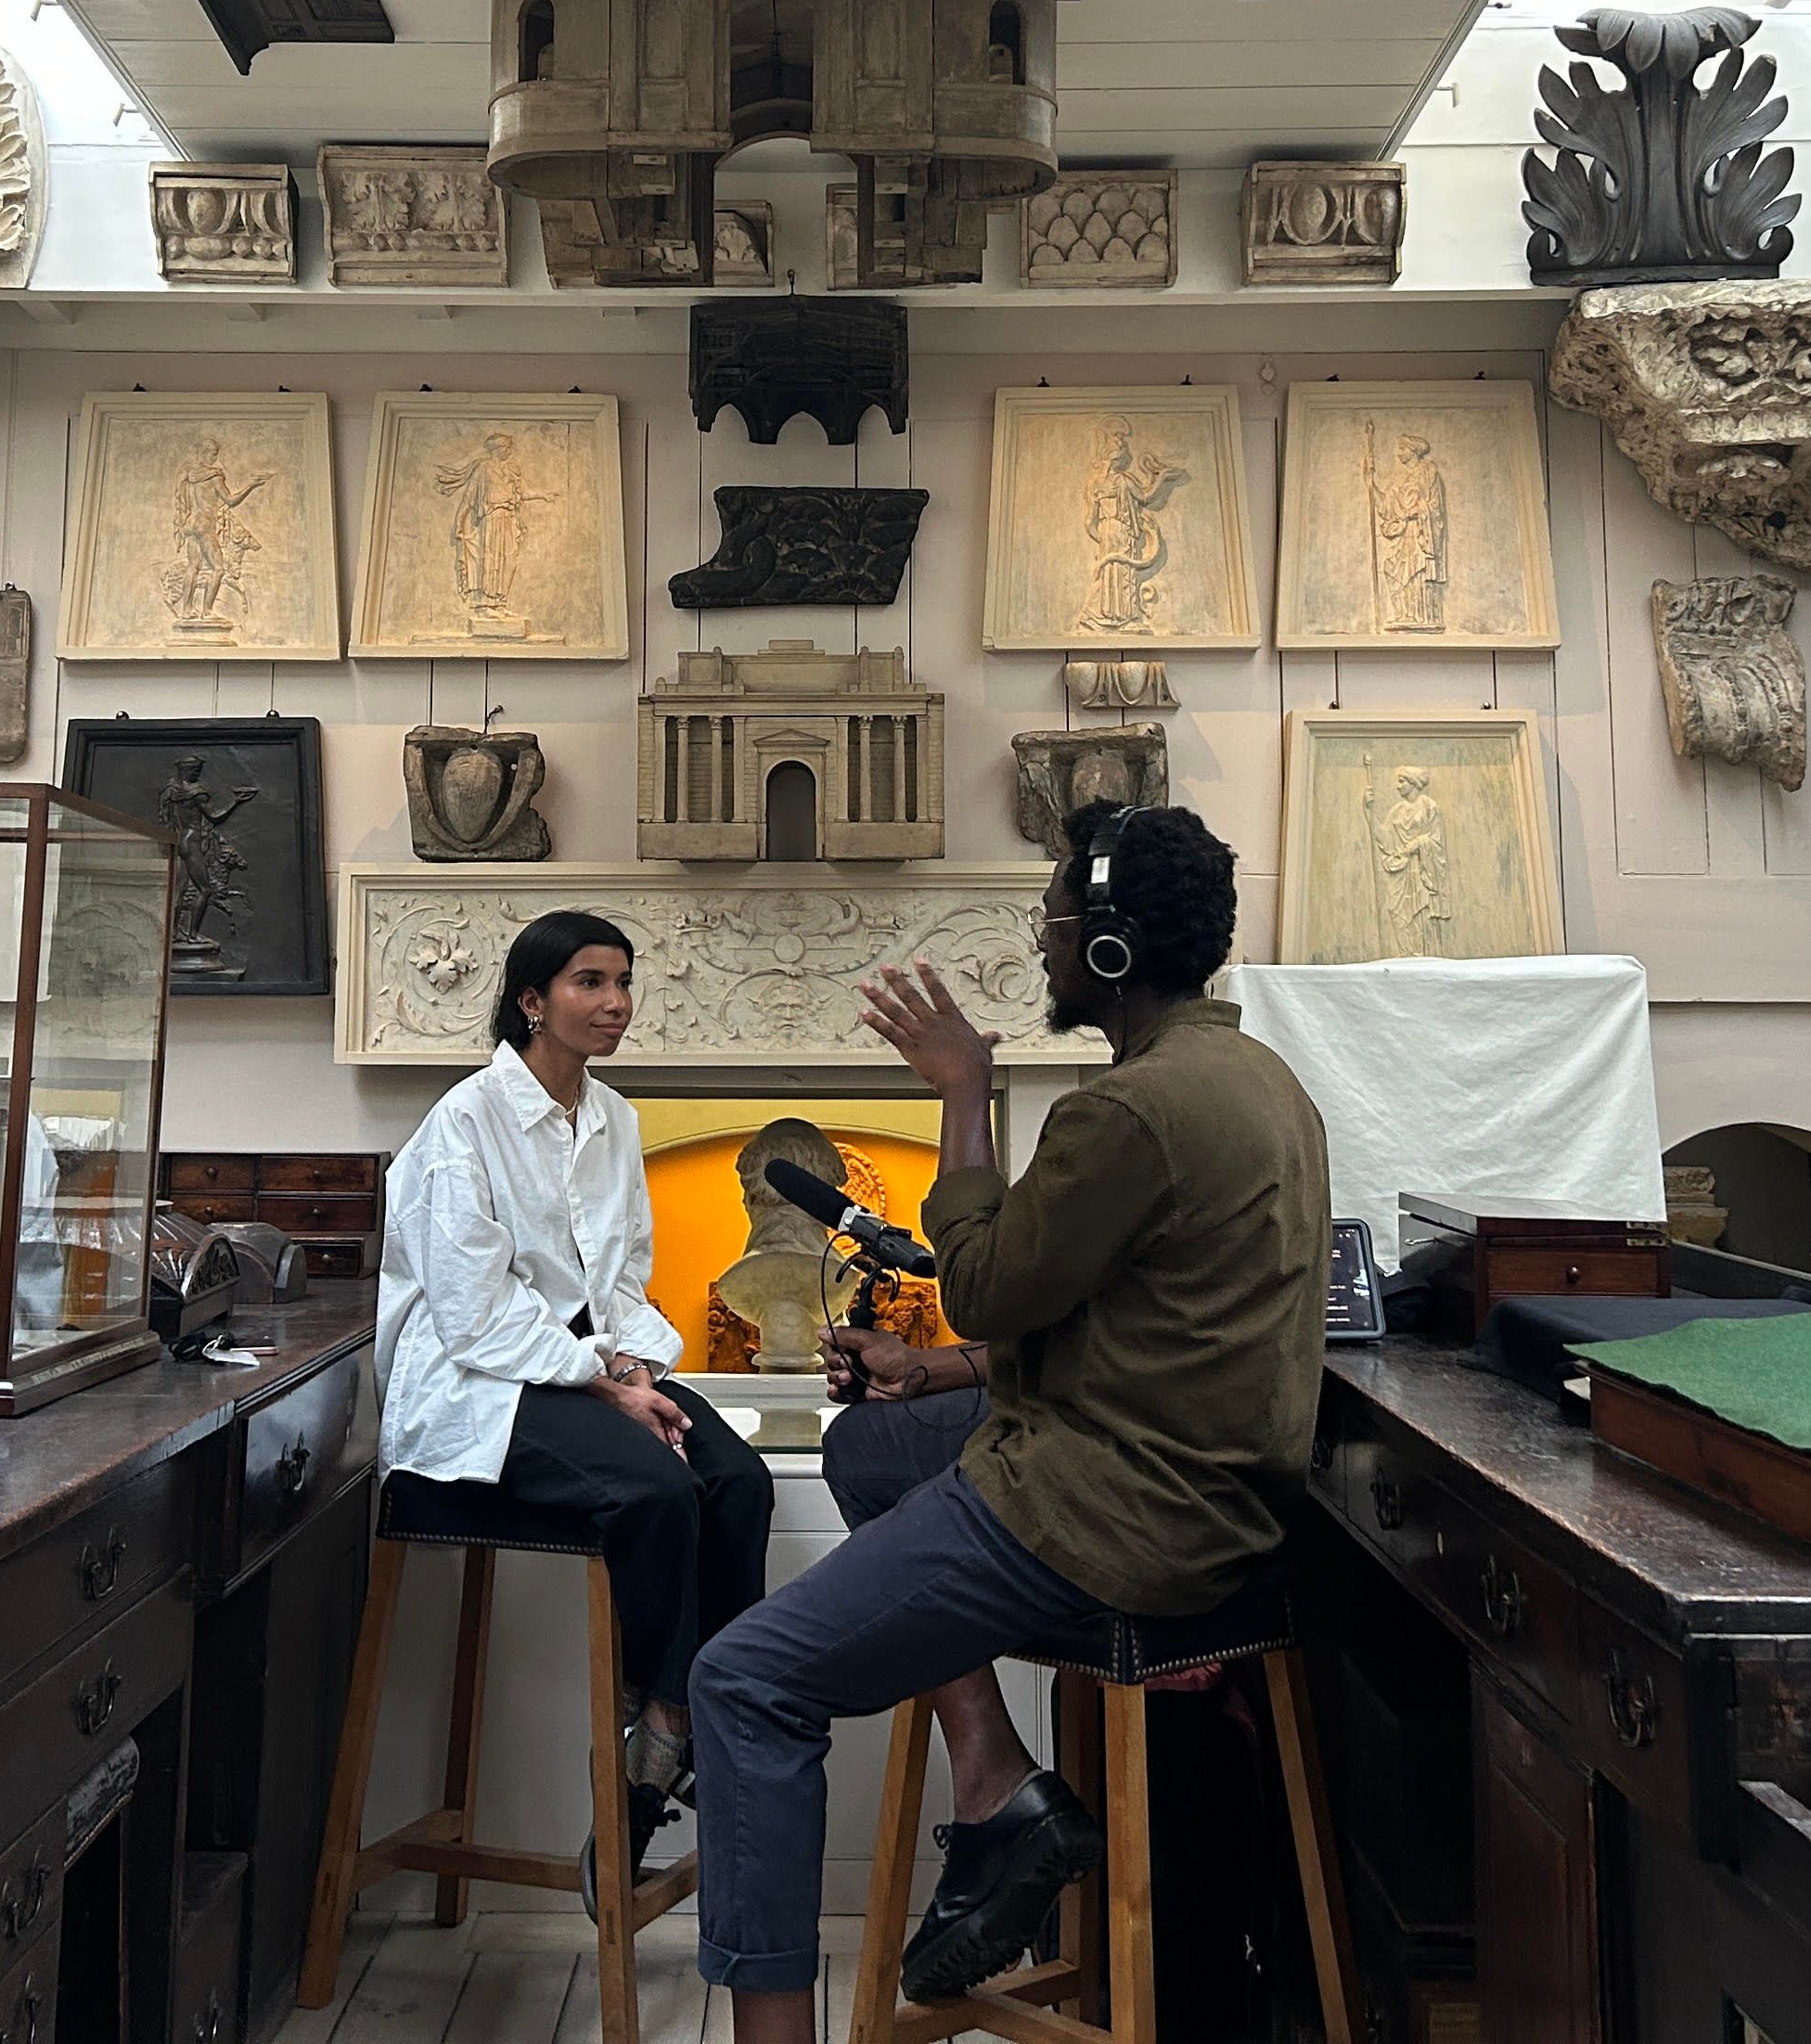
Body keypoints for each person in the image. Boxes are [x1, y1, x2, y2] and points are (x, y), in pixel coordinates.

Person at [687, 805, 1332, 2030]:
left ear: (1109, 947)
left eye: (1055, 921)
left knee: (744, 1681)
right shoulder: (1263, 1082)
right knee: (871, 1440)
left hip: (1106, 1513)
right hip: (1214, 1501)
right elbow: (1136, 1322)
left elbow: (979, 1281)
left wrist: (965, 1092)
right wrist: (935, 1373)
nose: (1044, 943)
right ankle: (993, 1776)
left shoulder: (1127, 1112)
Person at [375, 908, 774, 1875]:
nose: (616, 1002)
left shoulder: (615, 1119)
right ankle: (667, 1734)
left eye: (623, 982)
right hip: (478, 1384)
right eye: (590, 982)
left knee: (740, 1481)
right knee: (657, 1487)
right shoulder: (464, 1121)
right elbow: (474, 1313)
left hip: (590, 1371)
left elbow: (621, 1281)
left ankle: (680, 1724)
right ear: (532, 1000)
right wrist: (607, 1388)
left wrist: (632, 1371)